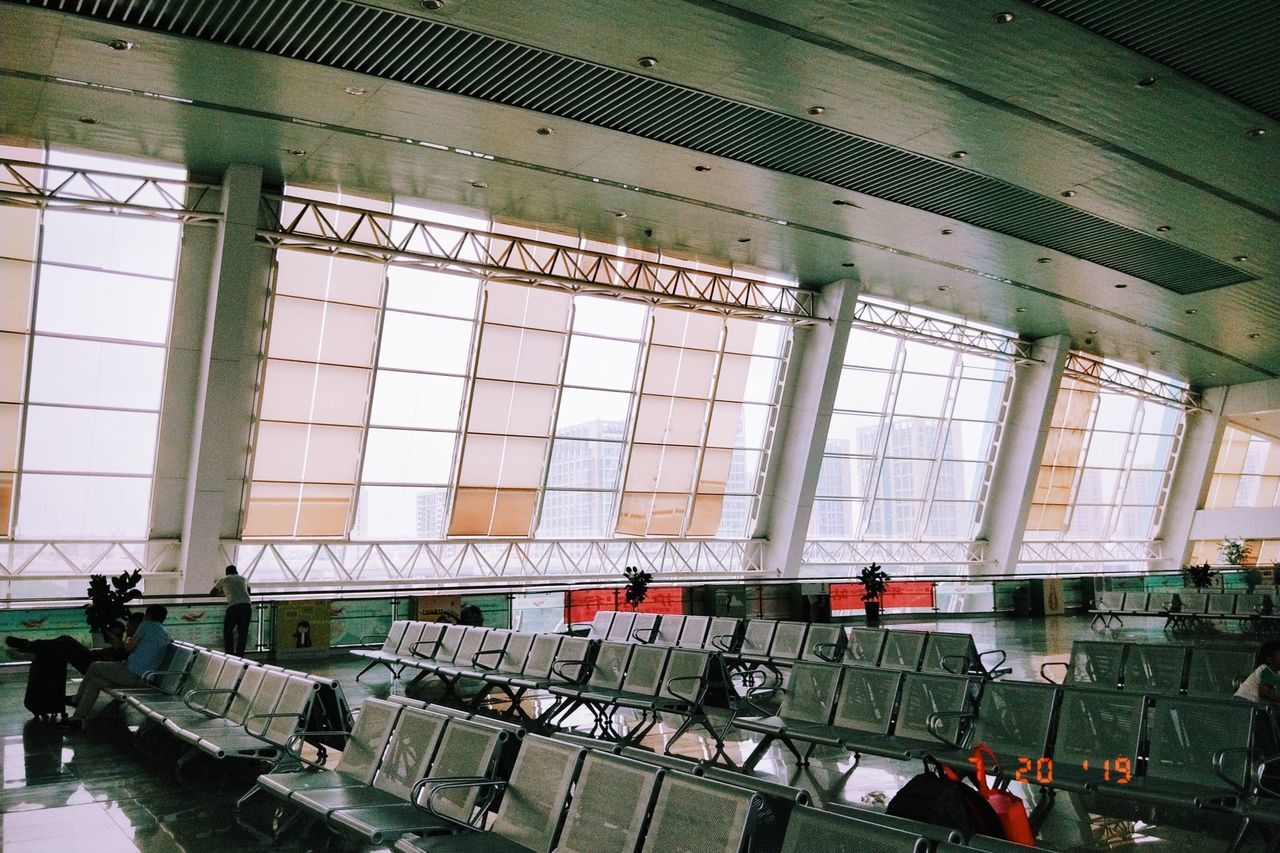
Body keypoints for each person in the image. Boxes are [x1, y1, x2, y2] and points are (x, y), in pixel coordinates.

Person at [62, 603, 170, 728]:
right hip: (145, 679)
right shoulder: (164, 632)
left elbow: (129, 648)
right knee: (96, 681)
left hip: (131, 673)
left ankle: (76, 699)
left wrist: (127, 639)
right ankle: (78, 717)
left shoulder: (146, 625)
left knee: (94, 666)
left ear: (148, 615)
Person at [211, 564, 252, 655]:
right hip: (247, 606)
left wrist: (225, 593)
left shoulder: (223, 579)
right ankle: (239, 654)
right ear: (236, 571)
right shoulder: (243, 579)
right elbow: (249, 592)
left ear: (227, 573)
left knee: (228, 631)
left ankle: (230, 653)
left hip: (233, 606)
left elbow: (212, 592)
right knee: (243, 632)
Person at [1235, 640, 1280, 705]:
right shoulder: (1267, 671)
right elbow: (1264, 693)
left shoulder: (1272, 671)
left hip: (1243, 700)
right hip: (1245, 701)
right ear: (1270, 660)